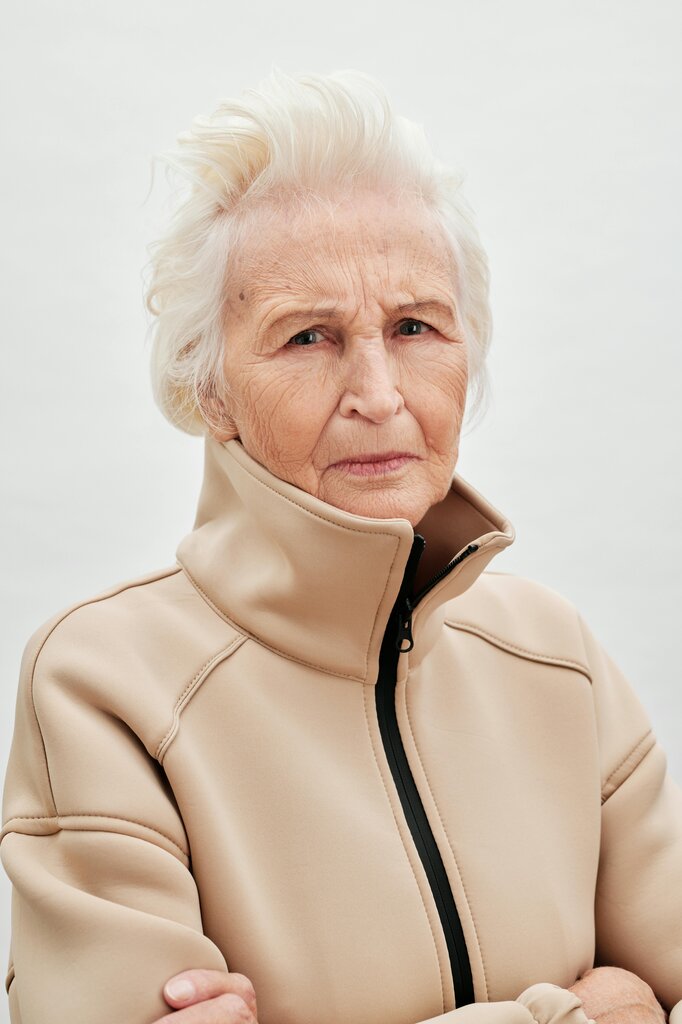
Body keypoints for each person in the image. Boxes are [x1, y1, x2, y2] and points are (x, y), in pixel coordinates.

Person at [1, 68, 680, 1024]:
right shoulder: (105, 685)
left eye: (415, 326)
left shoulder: (552, 656)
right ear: (210, 390)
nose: (379, 393)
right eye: (309, 337)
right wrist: (570, 1016)